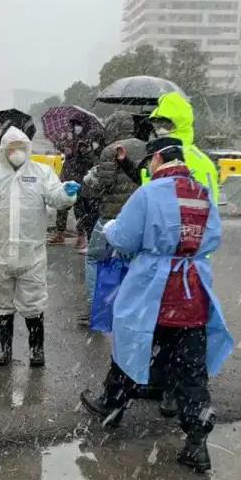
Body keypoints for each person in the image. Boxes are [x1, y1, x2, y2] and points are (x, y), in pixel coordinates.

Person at [79, 136, 234, 473]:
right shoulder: (202, 192)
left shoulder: (149, 193)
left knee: (132, 342)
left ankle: (112, 405)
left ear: (159, 159)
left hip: (154, 287)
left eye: (150, 159)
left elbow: (125, 238)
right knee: (191, 367)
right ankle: (197, 441)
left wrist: (111, 228)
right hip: (192, 289)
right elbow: (213, 237)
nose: (149, 165)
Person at [0, 127, 80, 368]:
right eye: (12, 148)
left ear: (27, 149)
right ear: (3, 150)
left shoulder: (41, 173)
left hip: (31, 255)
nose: (16, 152)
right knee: (1, 305)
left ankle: (36, 350)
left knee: (34, 304)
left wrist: (67, 193)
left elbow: (56, 197)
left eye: (21, 147)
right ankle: (5, 350)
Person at [79, 111, 147, 323]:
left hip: (110, 215)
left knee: (94, 257)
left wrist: (91, 178)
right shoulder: (146, 147)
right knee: (132, 261)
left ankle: (95, 307)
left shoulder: (110, 150)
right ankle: (132, 308)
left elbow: (104, 185)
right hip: (137, 216)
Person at [146, 90, 220, 203]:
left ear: (181, 125)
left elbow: (205, 203)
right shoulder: (156, 155)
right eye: (157, 125)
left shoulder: (197, 161)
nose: (160, 130)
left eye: (167, 125)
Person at [49, 128, 99, 248]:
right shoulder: (68, 137)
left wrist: (85, 151)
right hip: (67, 178)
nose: (77, 127)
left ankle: (81, 236)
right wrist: (64, 147)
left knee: (79, 209)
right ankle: (60, 233)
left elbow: (92, 161)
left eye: (78, 125)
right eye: (74, 124)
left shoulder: (87, 140)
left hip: (80, 181)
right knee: (62, 207)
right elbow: (59, 146)